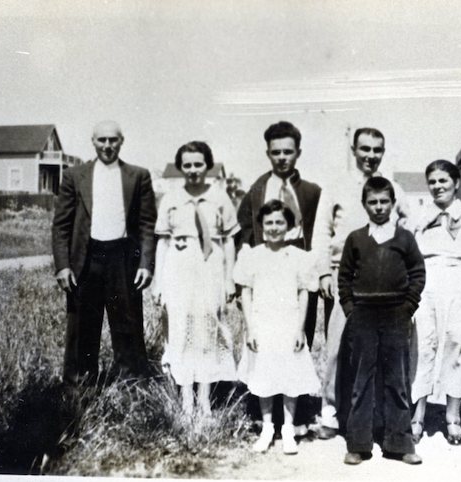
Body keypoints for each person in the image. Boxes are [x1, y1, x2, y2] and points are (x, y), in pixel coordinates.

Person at [311, 127, 412, 439]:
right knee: (339, 348)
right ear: (354, 149)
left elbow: (408, 225)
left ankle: (375, 416)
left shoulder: (392, 187)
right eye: (365, 149)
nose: (370, 156)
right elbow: (320, 232)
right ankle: (330, 412)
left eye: (376, 150)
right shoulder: (336, 186)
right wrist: (324, 273)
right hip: (346, 276)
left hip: (384, 282)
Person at [52, 120, 156, 385]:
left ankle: (132, 386)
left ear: (121, 141)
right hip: (86, 259)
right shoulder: (75, 176)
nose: (107, 146)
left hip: (123, 258)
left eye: (113, 140)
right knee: (82, 327)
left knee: (128, 325)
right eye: (102, 140)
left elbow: (146, 224)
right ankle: (80, 387)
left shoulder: (138, 176)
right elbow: (61, 225)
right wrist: (63, 266)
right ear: (93, 141)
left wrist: (146, 263)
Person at [338, 176, 425, 465]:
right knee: (361, 379)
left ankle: (400, 443)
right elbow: (344, 277)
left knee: (397, 379)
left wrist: (408, 305)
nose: (378, 207)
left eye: (383, 201)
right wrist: (351, 308)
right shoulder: (356, 239)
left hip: (396, 313)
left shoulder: (404, 238)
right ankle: (358, 444)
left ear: (393, 203)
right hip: (363, 314)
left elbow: (417, 273)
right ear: (364, 205)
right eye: (372, 202)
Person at [153, 141, 239, 414]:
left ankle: (204, 396)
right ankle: (186, 396)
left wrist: (228, 279)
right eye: (187, 165)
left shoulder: (220, 197)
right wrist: (158, 281)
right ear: (180, 168)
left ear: (208, 166)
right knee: (179, 328)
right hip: (178, 267)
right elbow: (162, 242)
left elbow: (228, 242)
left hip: (210, 266)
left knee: (206, 329)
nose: (193, 170)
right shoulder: (171, 198)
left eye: (198, 164)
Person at [234, 199, 321, 455]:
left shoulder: (298, 257)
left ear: (289, 227)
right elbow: (246, 294)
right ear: (261, 225)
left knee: (289, 375)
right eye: (269, 222)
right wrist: (250, 328)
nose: (274, 227)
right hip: (262, 323)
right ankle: (268, 428)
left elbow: (304, 293)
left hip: (288, 322)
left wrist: (300, 329)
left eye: (279, 222)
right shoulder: (252, 256)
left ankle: (289, 429)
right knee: (264, 374)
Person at [237, 121, 324, 347]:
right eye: (276, 152)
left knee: (300, 334)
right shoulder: (257, 191)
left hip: (299, 267)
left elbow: (321, 232)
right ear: (268, 153)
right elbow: (244, 234)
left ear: (298, 153)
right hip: (267, 269)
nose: (282, 157)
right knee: (267, 333)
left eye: (288, 152)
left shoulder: (312, 192)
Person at [410, 160, 461, 446]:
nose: (438, 186)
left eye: (443, 181)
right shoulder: (420, 214)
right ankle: (417, 415)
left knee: (460, 340)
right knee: (423, 344)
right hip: (428, 278)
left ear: (456, 183)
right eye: (433, 182)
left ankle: (453, 416)